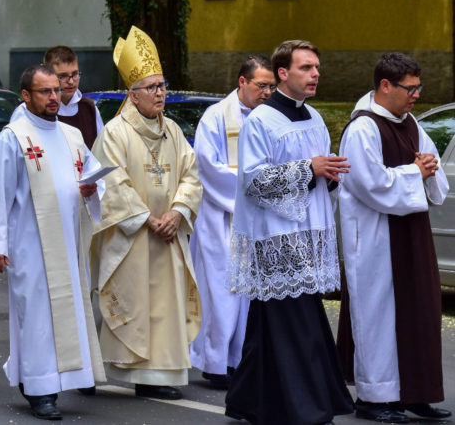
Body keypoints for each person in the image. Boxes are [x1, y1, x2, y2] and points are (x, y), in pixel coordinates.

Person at [225, 40, 354, 425]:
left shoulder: (313, 118)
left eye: (317, 67)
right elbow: (252, 180)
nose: (316, 74)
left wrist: (327, 175)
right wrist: (307, 169)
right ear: (283, 73)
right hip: (275, 237)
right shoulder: (261, 121)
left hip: (309, 232)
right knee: (298, 324)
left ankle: (248, 400)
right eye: (306, 68)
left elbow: (319, 174)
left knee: (269, 324)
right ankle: (308, 408)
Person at [0, 64, 106, 420]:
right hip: (30, 245)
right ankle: (39, 389)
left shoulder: (72, 136)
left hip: (68, 238)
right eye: (45, 91)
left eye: (56, 90)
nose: (54, 97)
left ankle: (59, 379)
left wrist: (91, 190)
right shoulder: (14, 137)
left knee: (67, 312)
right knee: (36, 316)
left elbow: (91, 180)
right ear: (26, 96)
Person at [90, 26, 203, 400]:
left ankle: (161, 375)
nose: (160, 93)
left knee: (166, 306)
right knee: (137, 302)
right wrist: (146, 218)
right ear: (133, 95)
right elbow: (113, 182)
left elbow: (191, 174)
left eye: (162, 85)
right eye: (152, 87)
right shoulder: (115, 133)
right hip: (133, 235)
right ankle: (135, 372)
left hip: (167, 232)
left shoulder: (172, 130)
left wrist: (178, 211)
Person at [337, 52, 450, 423]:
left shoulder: (411, 122)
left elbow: (429, 168)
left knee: (420, 309)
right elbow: (371, 185)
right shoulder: (362, 129)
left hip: (412, 234)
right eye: (410, 88)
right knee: (378, 315)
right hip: (375, 239)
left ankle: (417, 393)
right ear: (385, 86)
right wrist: (415, 172)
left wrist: (428, 172)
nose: (417, 95)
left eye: (419, 87)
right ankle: (375, 397)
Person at [188, 55, 274, 389]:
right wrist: (256, 185)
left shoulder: (270, 118)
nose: (267, 92)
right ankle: (215, 362)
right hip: (221, 219)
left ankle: (240, 360)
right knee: (221, 292)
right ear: (242, 82)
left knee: (250, 294)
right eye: (261, 85)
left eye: (271, 86)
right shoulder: (215, 118)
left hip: (258, 221)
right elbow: (209, 167)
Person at [11, 46, 104, 148]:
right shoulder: (28, 110)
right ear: (49, 75)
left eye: (75, 74)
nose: (71, 81)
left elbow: (100, 149)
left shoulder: (89, 108)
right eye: (63, 76)